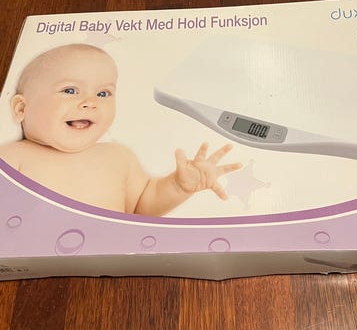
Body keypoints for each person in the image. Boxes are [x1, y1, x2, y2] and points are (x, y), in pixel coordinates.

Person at [0, 44, 241, 215]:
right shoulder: (12, 158)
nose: (90, 102)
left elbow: (143, 207)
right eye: (70, 90)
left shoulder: (117, 157)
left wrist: (178, 187)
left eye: (103, 93)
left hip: (113, 263)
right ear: (21, 108)